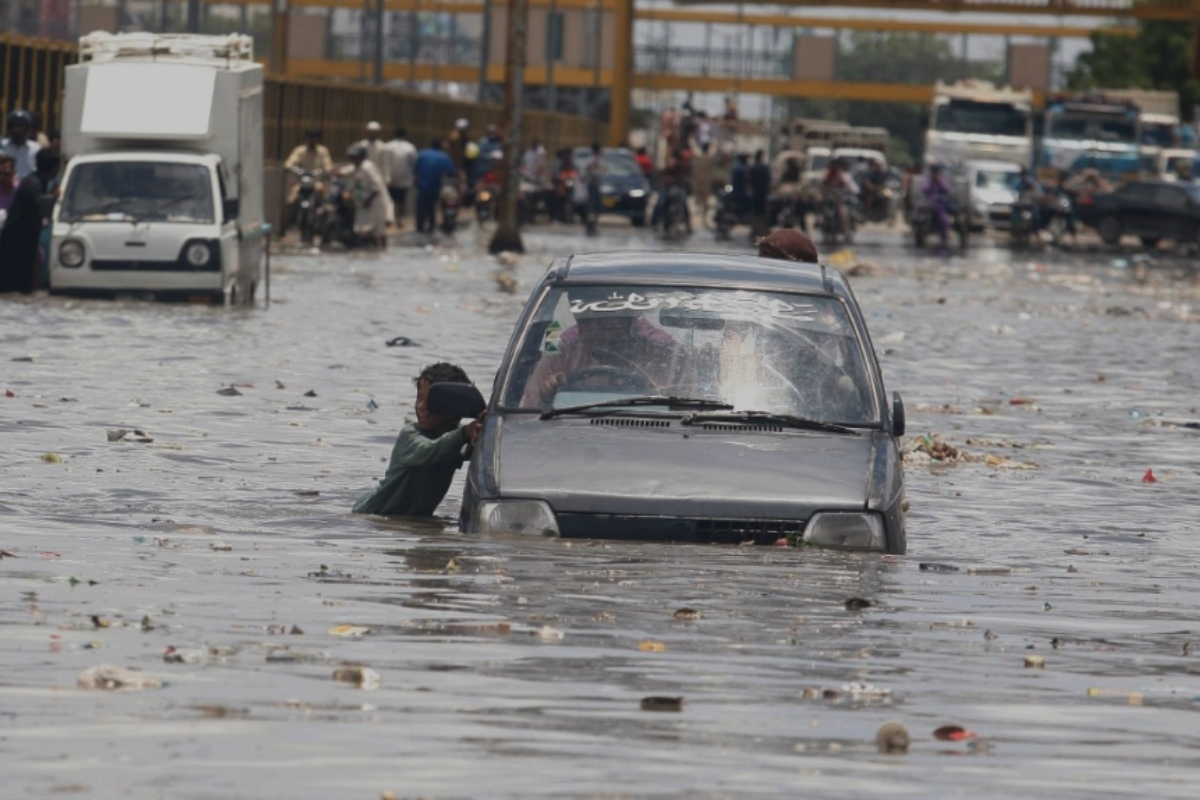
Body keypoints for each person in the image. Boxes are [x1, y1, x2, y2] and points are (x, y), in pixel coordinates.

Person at [352, 363, 485, 517]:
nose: (421, 406)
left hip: (411, 517)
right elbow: (431, 450)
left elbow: (471, 450)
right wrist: (464, 433)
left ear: (453, 406)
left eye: (430, 401)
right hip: (371, 513)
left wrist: (483, 427)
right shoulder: (411, 435)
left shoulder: (456, 437)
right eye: (419, 398)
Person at [520, 300, 683, 407]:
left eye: (608, 322)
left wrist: (658, 393)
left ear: (628, 321)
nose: (596, 330)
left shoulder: (660, 352)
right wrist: (550, 393)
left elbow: (685, 404)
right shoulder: (562, 353)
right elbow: (527, 414)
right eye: (587, 320)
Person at [0, 147, 60, 294]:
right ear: (54, 169)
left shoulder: (35, 181)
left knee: (22, 289)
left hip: (24, 242)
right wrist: (55, 196)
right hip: (16, 244)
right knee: (13, 288)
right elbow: (44, 206)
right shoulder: (34, 183)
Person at [283, 128, 333, 236]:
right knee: (291, 198)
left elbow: (327, 165)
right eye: (310, 138)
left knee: (325, 197)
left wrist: (328, 171)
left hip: (316, 181)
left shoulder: (323, 151)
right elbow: (290, 162)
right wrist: (288, 167)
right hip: (301, 181)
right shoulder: (300, 150)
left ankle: (321, 222)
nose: (312, 141)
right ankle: (288, 225)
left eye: (314, 138)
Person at [341, 144, 388, 249]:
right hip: (362, 204)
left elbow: (377, 186)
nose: (353, 160)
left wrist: (369, 200)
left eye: (355, 157)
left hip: (373, 202)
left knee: (378, 230)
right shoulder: (355, 167)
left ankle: (382, 252)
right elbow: (344, 172)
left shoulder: (368, 167)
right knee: (363, 230)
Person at [413, 139, 458, 235]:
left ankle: (420, 226)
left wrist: (416, 182)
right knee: (431, 208)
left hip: (422, 186)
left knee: (421, 207)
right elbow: (452, 170)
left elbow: (415, 169)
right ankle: (431, 226)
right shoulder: (443, 156)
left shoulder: (422, 154)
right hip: (435, 186)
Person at [358, 121, 395, 228]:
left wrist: (387, 179)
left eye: (374, 132)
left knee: (384, 199)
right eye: (370, 131)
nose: (372, 134)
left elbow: (386, 164)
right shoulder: (362, 145)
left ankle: (388, 218)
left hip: (377, 178)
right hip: (364, 176)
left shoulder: (382, 147)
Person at [385, 126, 417, 229]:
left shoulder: (388, 146)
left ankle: (391, 218)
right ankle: (400, 219)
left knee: (390, 200)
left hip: (390, 177)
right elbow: (414, 163)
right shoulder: (410, 147)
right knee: (402, 201)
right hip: (404, 178)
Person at [2, 110, 41, 181]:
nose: (18, 130)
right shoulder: (2, 146)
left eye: (21, 127)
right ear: (10, 128)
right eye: (15, 126)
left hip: (27, 189)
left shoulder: (35, 148)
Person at [582, 142, 605, 236]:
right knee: (592, 207)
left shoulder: (597, 160)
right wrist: (601, 171)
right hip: (592, 186)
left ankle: (593, 225)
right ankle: (590, 226)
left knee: (596, 208)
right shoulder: (592, 160)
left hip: (596, 186)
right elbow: (590, 172)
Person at [748, 149, 771, 229]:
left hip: (755, 192)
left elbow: (749, 180)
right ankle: (761, 227)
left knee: (755, 211)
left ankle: (755, 227)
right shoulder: (764, 167)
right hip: (762, 192)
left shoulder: (753, 167)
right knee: (762, 211)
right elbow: (768, 179)